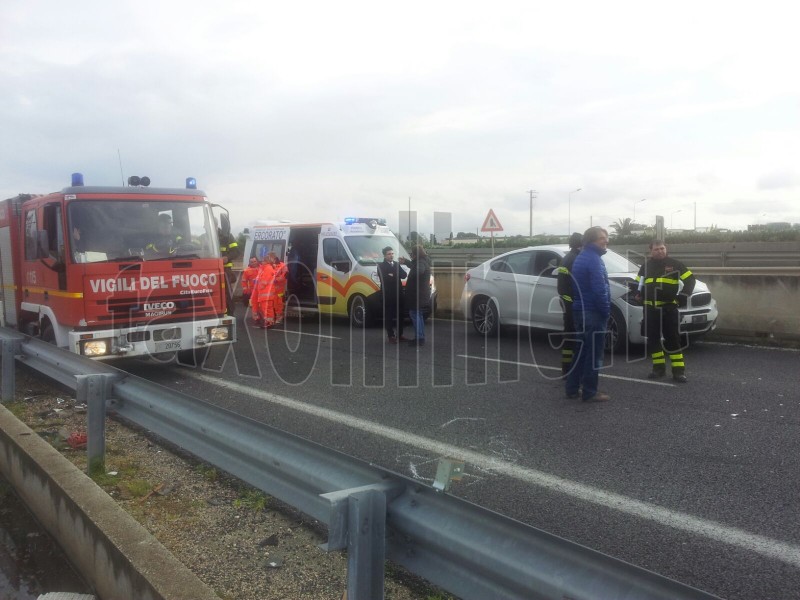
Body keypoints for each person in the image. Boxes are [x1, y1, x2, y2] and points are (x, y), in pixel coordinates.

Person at [636, 240, 696, 383]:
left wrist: (683, 296)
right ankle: (658, 369)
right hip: (650, 309)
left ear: (666, 249)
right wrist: (637, 294)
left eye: (662, 248)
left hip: (669, 308)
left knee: (673, 340)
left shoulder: (675, 264)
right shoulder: (646, 266)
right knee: (653, 339)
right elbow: (638, 283)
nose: (660, 251)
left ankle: (678, 372)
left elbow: (690, 280)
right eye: (656, 249)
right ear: (651, 251)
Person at [565, 227, 611, 402]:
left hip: (581, 310)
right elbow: (600, 289)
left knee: (581, 352)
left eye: (606, 237)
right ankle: (590, 391)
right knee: (594, 354)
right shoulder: (593, 259)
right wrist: (606, 311)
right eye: (601, 238)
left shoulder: (582, 257)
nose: (606, 240)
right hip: (593, 311)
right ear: (591, 240)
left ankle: (571, 388)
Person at [557, 232, 583, 376]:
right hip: (573, 303)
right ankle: (571, 370)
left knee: (568, 335)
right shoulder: (576, 259)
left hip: (566, 301)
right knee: (575, 336)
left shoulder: (567, 258)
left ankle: (566, 367)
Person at [399, 244, 431, 348]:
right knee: (419, 315)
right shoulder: (423, 260)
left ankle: (419, 338)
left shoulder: (421, 262)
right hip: (420, 294)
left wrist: (412, 274)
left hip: (417, 295)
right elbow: (415, 265)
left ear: (416, 254)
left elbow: (419, 270)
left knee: (414, 314)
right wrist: (406, 262)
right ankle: (420, 337)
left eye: (412, 254)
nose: (411, 255)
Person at [376, 246, 408, 343]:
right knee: (389, 316)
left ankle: (400, 335)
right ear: (385, 256)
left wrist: (393, 274)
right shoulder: (380, 266)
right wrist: (394, 275)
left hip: (398, 294)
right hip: (388, 295)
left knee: (400, 315)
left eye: (392, 253)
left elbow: (404, 275)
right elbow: (384, 279)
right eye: (389, 254)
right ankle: (391, 336)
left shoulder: (397, 264)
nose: (391, 255)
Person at [218, 214, 241, 316]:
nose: (205, 227)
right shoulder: (205, 237)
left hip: (225, 270)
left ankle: (230, 314)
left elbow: (236, 251)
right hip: (210, 270)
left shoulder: (227, 237)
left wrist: (227, 258)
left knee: (227, 293)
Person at [251, 255, 276, 328]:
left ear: (267, 261)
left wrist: (258, 283)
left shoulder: (268, 268)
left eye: (264, 260)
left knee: (267, 309)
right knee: (266, 309)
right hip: (265, 294)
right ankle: (268, 322)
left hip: (266, 293)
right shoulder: (264, 268)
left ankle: (269, 323)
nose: (262, 261)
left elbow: (264, 282)